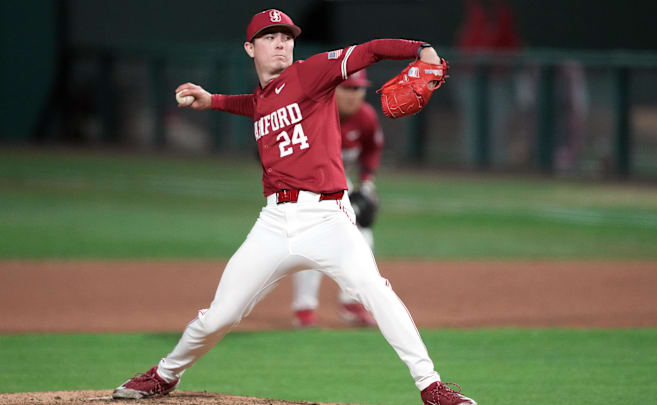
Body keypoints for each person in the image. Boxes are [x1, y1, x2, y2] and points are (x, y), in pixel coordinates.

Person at [112, 9, 476, 405]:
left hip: (327, 219)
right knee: (220, 315)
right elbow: (258, 105)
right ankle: (165, 374)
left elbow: (370, 50)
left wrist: (421, 49)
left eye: (286, 36)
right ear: (250, 48)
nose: (281, 42)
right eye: (270, 37)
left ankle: (431, 386)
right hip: (273, 223)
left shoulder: (311, 74)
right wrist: (212, 100)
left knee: (375, 290)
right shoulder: (265, 97)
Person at [292, 68, 381, 328]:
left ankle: (352, 305)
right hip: (303, 184)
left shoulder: (366, 117)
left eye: (359, 89)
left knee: (363, 236)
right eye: (348, 89)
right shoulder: (312, 115)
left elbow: (372, 149)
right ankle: (304, 311)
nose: (355, 95)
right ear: (333, 90)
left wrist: (366, 183)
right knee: (312, 245)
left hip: (340, 184)